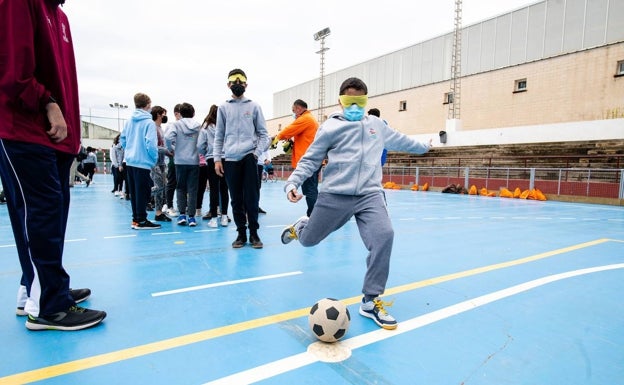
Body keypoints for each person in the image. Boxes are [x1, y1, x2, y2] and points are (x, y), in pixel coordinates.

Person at [280, 77, 433, 330]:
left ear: (366, 101)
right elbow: (310, 160)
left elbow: (403, 141)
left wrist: (424, 147)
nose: (355, 107)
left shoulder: (376, 125)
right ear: (341, 102)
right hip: (335, 195)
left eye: (360, 102)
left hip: (369, 195)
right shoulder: (329, 128)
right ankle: (301, 228)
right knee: (309, 241)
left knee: (384, 236)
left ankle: (371, 301)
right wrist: (292, 183)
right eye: (350, 102)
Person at [0, 0, 106, 331]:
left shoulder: (58, 14)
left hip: (55, 137)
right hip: (23, 127)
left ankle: (37, 287)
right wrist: (46, 101)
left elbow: (65, 82)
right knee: (38, 212)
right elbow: (12, 70)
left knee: (52, 212)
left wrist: (72, 136)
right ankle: (49, 306)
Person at [214, 68, 270, 249]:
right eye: (234, 82)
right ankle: (240, 234)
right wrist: (217, 159)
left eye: (241, 81)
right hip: (230, 159)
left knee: (251, 198)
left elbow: (264, 135)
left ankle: (254, 233)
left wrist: (255, 154)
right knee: (236, 199)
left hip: (249, 157)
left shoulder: (254, 106)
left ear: (246, 84)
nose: (237, 85)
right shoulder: (223, 107)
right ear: (228, 84)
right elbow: (219, 136)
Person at [120, 93, 161, 230]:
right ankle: (142, 220)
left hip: (130, 161)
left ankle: (136, 219)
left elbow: (123, 139)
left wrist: (130, 150)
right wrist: (153, 158)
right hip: (143, 162)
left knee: (134, 192)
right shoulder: (149, 123)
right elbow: (151, 143)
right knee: (143, 192)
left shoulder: (129, 121)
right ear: (148, 105)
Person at [272, 99, 319, 217]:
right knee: (311, 189)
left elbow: (288, 130)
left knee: (310, 190)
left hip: (309, 161)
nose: (293, 113)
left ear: (298, 109)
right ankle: (313, 214)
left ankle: (313, 216)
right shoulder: (309, 119)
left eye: (293, 110)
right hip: (312, 159)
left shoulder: (304, 119)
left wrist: (277, 138)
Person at [165, 102, 201, 227]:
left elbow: (168, 138)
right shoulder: (198, 126)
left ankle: (182, 215)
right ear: (193, 113)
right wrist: (198, 150)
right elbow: (201, 143)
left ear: (180, 113)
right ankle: (191, 217)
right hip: (194, 161)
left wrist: (172, 149)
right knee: (192, 189)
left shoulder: (176, 125)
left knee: (180, 188)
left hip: (180, 161)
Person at [198, 105, 230, 228]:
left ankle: (214, 218)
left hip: (212, 158)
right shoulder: (226, 126)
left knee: (214, 188)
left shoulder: (205, 128)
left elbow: (200, 145)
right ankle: (224, 216)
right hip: (225, 158)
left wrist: (206, 152)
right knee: (224, 188)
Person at [150, 106, 171, 222]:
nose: (165, 116)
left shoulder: (160, 128)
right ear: (158, 114)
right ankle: (143, 194)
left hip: (162, 162)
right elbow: (154, 147)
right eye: (163, 114)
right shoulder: (152, 127)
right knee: (159, 187)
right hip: (155, 162)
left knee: (162, 189)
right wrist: (167, 151)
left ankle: (158, 213)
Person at [163, 104, 182, 217]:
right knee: (172, 182)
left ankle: (182, 206)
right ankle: (169, 205)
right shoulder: (172, 125)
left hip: (184, 159)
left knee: (182, 184)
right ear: (176, 114)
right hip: (173, 159)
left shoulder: (186, 126)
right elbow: (167, 140)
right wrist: (173, 150)